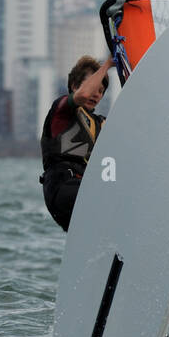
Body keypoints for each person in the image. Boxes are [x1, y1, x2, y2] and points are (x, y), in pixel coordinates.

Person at [40, 55, 114, 231]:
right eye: (95, 86)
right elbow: (83, 94)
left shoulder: (100, 123)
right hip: (61, 188)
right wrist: (108, 64)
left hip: (83, 188)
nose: (97, 93)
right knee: (112, 197)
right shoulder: (62, 109)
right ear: (74, 85)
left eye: (102, 90)